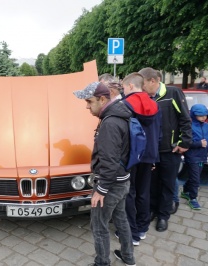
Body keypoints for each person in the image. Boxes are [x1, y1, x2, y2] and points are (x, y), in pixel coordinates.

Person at [73, 82, 135, 266]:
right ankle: (128, 257)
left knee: (98, 225)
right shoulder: (120, 114)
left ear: (102, 99)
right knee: (121, 218)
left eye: (89, 101)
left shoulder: (110, 123)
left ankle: (102, 263)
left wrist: (100, 190)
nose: (86, 106)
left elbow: (109, 162)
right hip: (123, 180)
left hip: (110, 184)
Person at [139, 67, 192, 232]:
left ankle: (163, 215)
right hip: (152, 151)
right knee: (152, 184)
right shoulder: (145, 97)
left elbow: (185, 118)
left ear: (152, 81)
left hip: (170, 150)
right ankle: (153, 210)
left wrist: (184, 142)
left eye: (143, 84)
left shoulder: (172, 93)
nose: (141, 88)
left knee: (167, 184)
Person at [119, 73, 162, 245]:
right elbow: (159, 133)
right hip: (149, 155)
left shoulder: (125, 105)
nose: (123, 90)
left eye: (123, 87)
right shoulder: (155, 105)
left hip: (131, 155)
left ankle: (132, 233)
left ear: (130, 86)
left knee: (130, 192)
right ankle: (143, 228)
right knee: (144, 192)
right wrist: (154, 157)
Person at [181, 104, 208, 210]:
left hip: (202, 157)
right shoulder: (189, 126)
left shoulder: (206, 126)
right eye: (200, 115)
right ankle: (193, 198)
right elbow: (185, 142)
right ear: (193, 115)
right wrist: (199, 144)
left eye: (205, 115)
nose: (203, 117)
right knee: (196, 179)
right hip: (192, 157)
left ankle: (185, 191)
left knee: (194, 177)